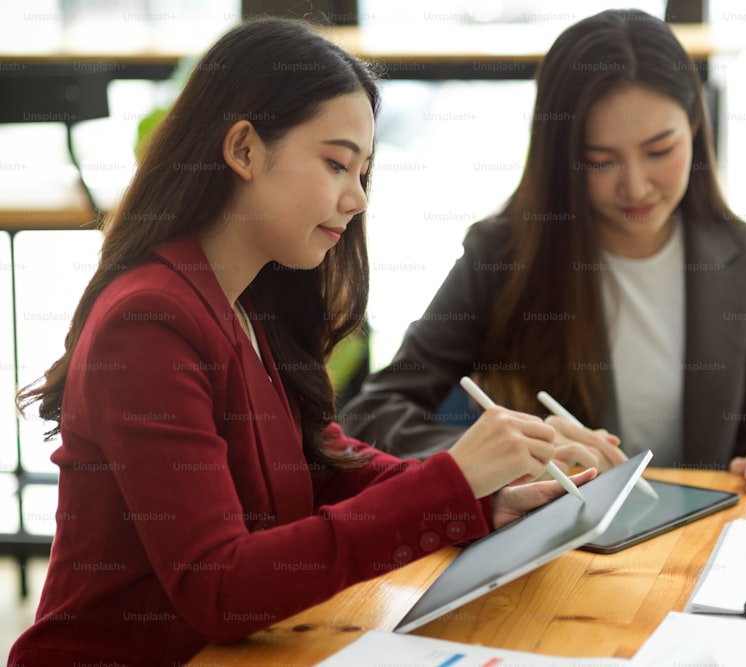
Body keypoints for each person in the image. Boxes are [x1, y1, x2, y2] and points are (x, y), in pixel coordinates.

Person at [8, 19, 594, 667]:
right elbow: (219, 587)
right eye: (337, 163)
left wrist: (482, 498)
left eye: (364, 171)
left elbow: (322, 463)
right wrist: (448, 484)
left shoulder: (251, 302)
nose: (356, 196)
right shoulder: (149, 321)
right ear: (244, 149)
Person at [341, 9, 746, 493]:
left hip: (698, 544)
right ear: (562, 156)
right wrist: (514, 451)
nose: (635, 186)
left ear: (696, 123)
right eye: (600, 161)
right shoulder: (505, 253)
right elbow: (371, 415)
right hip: (566, 552)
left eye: (659, 151)